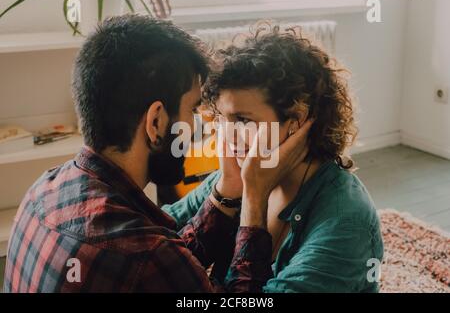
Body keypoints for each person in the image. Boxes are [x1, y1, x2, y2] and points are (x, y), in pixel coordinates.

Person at [3, 15, 310, 293]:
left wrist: (228, 191)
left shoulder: (43, 190)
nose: (201, 127)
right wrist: (254, 201)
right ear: (156, 122)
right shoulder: (145, 256)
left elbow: (172, 262)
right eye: (192, 110)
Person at [163, 24, 384, 293]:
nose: (226, 134)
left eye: (242, 120)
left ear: (296, 120)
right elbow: (158, 244)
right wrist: (226, 193)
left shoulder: (347, 221)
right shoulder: (234, 176)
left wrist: (254, 200)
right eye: (221, 118)